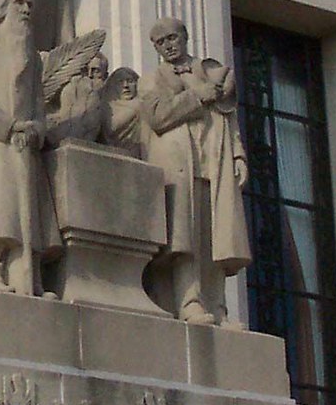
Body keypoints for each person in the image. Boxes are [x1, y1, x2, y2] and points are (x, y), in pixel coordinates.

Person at [139, 17, 250, 326]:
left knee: (216, 238)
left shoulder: (210, 71)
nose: (169, 45)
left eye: (173, 38)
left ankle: (219, 306)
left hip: (213, 160)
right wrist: (197, 96)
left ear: (185, 37)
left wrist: (239, 155)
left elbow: (229, 118)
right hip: (178, 165)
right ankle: (189, 301)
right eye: (161, 42)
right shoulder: (151, 80)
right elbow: (159, 117)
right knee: (184, 237)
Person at [0, 0, 61, 294]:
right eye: (19, 3)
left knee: (26, 214)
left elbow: (38, 102)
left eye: (29, 4)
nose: (26, 9)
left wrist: (37, 128)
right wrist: (7, 127)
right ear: (0, 9)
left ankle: (26, 280)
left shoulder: (31, 54)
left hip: (25, 143)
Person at [100, 67, 143, 158]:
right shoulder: (107, 106)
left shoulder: (145, 104)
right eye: (120, 82)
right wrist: (136, 107)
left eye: (130, 81)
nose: (125, 85)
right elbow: (112, 128)